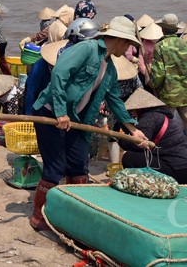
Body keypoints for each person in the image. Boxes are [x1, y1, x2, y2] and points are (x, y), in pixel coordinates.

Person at [29, 16, 147, 230]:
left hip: (75, 119)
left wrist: (133, 129)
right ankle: (39, 216)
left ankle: (73, 212)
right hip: (49, 113)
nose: (130, 48)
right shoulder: (87, 49)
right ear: (119, 39)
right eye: (129, 43)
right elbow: (59, 73)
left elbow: (114, 100)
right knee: (55, 168)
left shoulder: (109, 67)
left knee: (78, 165)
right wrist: (60, 111)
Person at [118, 88, 187, 183]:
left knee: (130, 158)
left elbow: (137, 145)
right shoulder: (162, 116)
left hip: (180, 171)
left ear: (139, 109)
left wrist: (120, 139)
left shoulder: (149, 118)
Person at [150, 13, 187, 153]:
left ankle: (168, 151)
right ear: (176, 29)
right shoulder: (186, 44)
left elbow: (159, 73)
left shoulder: (160, 46)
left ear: (163, 29)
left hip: (168, 94)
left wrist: (153, 84)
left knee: (166, 125)